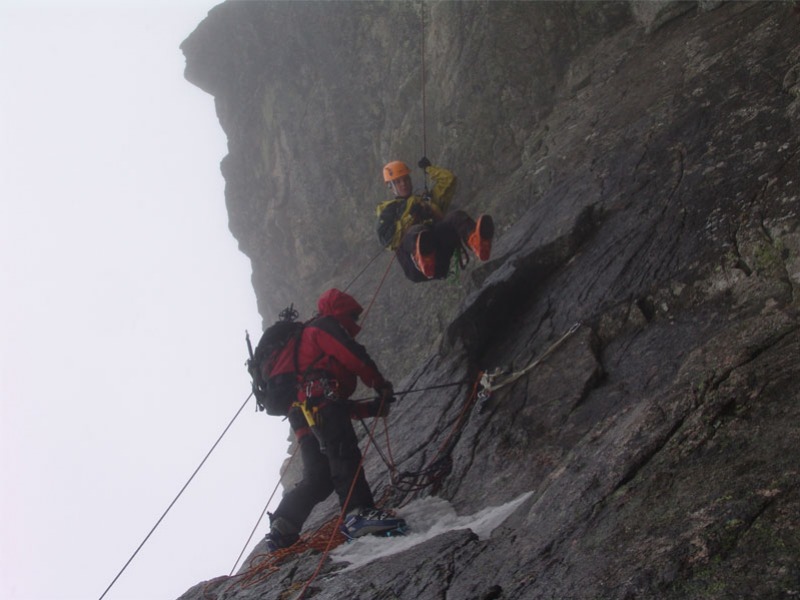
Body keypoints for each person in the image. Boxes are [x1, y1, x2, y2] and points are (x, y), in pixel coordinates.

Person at [263, 288, 405, 551]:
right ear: (341, 310)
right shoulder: (324, 326)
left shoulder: (303, 342)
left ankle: (283, 526)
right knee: (344, 454)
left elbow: (335, 405)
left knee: (319, 476)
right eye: (353, 315)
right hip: (320, 405)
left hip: (302, 414)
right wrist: (380, 385)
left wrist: (370, 409)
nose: (355, 322)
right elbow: (352, 355)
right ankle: (358, 514)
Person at [376, 157, 494, 282]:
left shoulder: (424, 200)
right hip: (414, 266)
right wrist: (410, 214)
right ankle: (423, 259)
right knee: (417, 231)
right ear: (390, 186)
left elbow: (448, 180)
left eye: (406, 179)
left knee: (456, 216)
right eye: (398, 182)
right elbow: (387, 240)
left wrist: (429, 169)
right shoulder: (389, 210)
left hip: (439, 255)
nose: (403, 184)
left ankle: (478, 243)